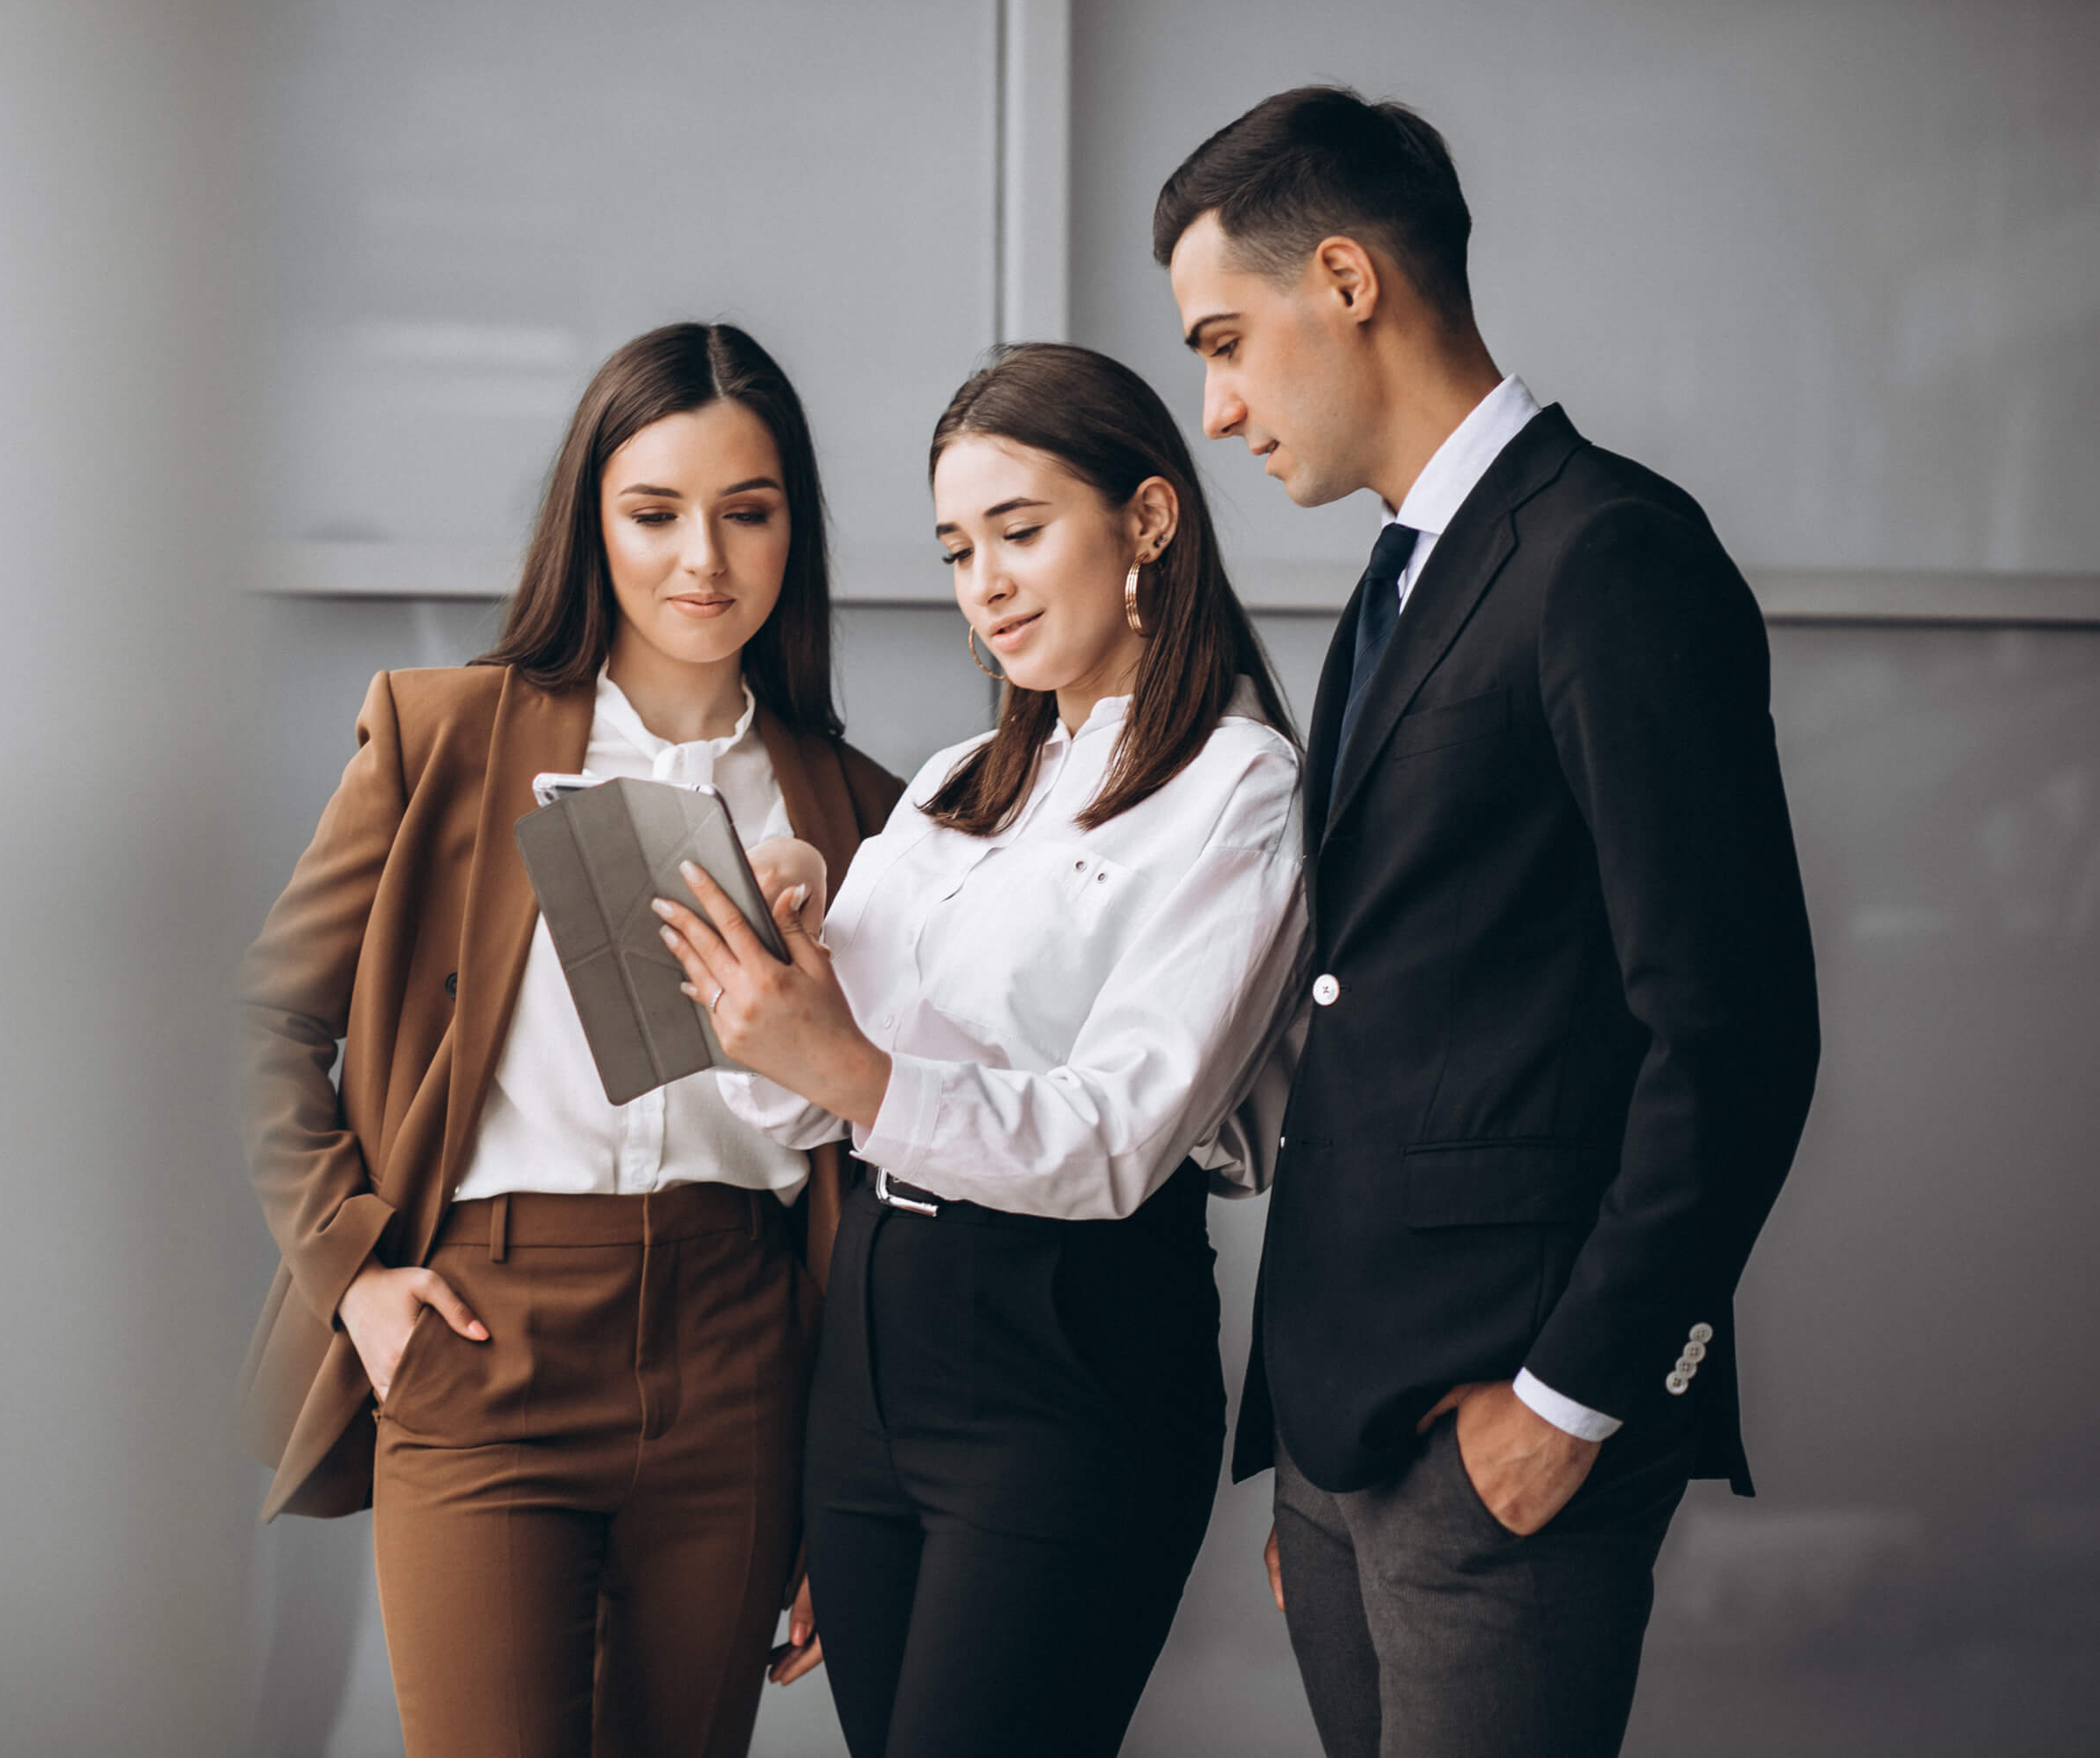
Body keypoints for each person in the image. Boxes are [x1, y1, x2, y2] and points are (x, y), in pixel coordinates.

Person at [1154, 86, 1820, 1758]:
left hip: (1511, 1436)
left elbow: (1734, 1031)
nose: (1217, 409)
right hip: (1351, 1439)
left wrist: (1571, 1400)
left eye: (1226, 340)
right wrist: (1313, 1443)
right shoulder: (1396, 580)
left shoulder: (1610, 556)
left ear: (1349, 279)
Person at [235, 322, 907, 1758]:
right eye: (654, 512)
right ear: (589, 522)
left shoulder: (860, 810)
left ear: (797, 530)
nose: (703, 561)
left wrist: (842, 1465)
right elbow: (263, 1021)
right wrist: (356, 1273)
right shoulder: (447, 738)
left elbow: (878, 1131)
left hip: (742, 1351)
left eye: (749, 511)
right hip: (486, 1332)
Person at [655, 342, 1311, 1758]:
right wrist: (786, 949)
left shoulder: (1236, 784)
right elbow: (817, 1095)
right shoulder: (962, 778)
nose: (986, 584)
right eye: (959, 549)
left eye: (1020, 531)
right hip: (876, 1341)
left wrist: (839, 1056)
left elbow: (1118, 1135)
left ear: (1148, 521)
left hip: (1063, 1346)